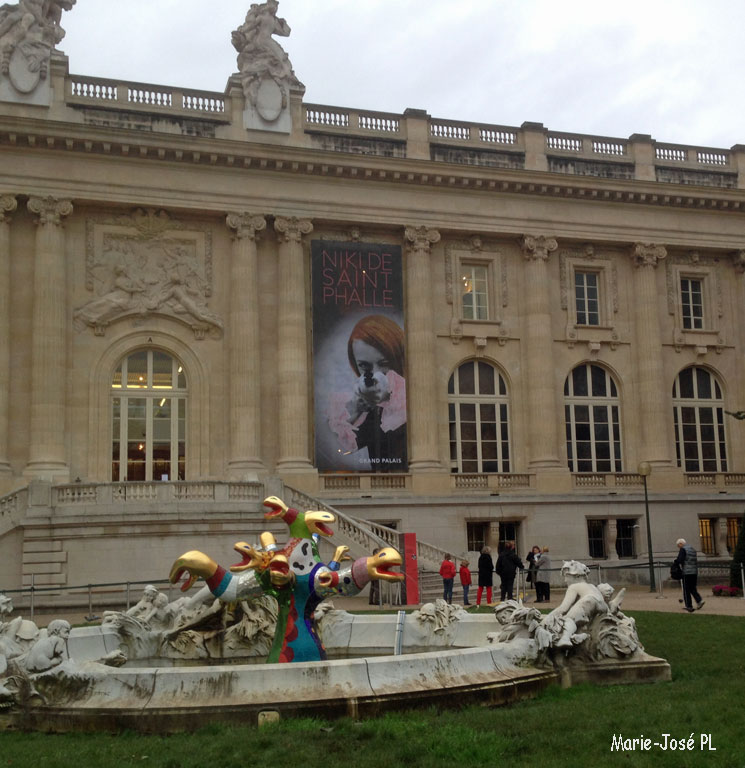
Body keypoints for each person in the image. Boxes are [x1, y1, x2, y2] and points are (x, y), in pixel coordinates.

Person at [327, 314, 407, 470]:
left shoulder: (411, 399)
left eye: (384, 364)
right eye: (364, 366)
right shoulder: (368, 407)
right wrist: (355, 411)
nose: (376, 374)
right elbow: (338, 447)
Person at [674, 538, 705, 612]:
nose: (679, 547)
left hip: (687, 572)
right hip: (694, 571)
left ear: (681, 544)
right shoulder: (692, 549)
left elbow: (680, 559)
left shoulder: (683, 549)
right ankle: (699, 600)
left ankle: (688, 605)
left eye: (678, 545)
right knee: (692, 587)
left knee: (686, 589)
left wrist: (676, 562)